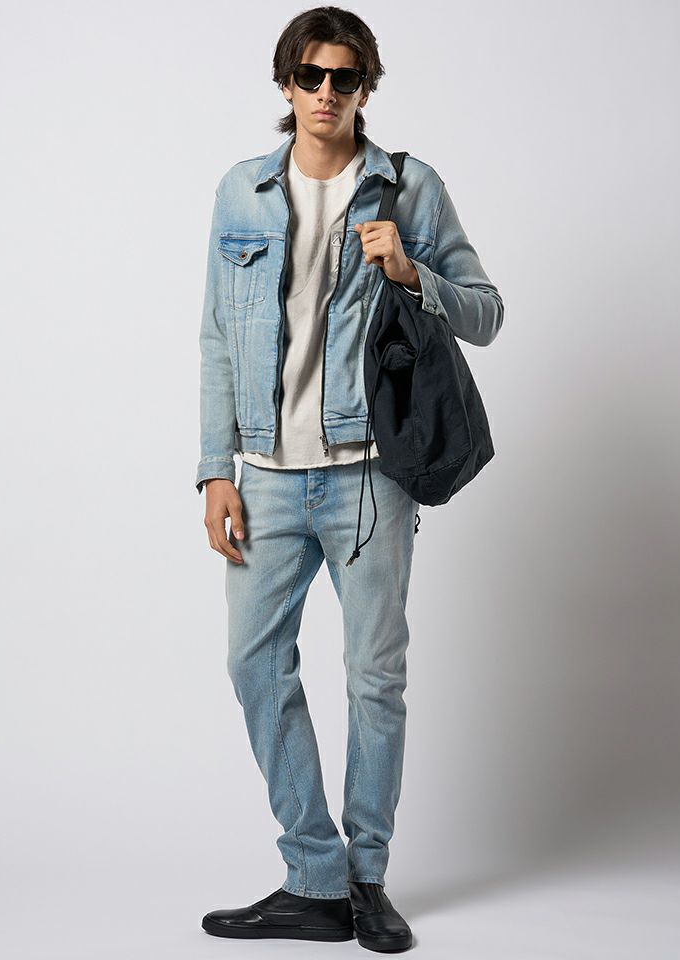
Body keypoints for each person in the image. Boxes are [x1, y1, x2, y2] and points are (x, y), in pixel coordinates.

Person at [196, 6, 504, 952]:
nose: (326, 92)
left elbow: (487, 313)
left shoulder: (408, 187)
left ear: (366, 86)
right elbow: (216, 337)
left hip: (371, 480)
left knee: (375, 679)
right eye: (310, 75)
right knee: (255, 666)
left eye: (344, 77)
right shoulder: (242, 191)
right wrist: (214, 470)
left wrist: (411, 273)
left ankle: (366, 879)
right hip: (265, 479)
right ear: (285, 84)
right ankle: (315, 875)